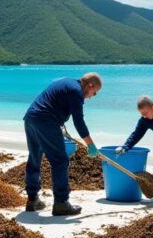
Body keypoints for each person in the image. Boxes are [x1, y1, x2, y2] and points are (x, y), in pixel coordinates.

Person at [23, 72, 102, 216]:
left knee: (34, 158)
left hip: (31, 118)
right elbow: (79, 121)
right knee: (60, 161)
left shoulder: (66, 82)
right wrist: (90, 144)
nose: (91, 96)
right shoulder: (76, 91)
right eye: (94, 93)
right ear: (90, 85)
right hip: (46, 121)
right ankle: (61, 203)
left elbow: (53, 103)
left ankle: (32, 199)